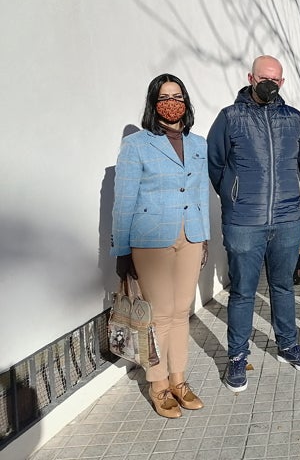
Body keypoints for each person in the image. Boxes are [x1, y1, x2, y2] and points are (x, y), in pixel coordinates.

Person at [208, 55, 300, 393]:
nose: (271, 83)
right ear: (251, 78)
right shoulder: (230, 117)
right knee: (242, 291)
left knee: (284, 287)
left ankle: (287, 345)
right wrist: (234, 197)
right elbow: (215, 164)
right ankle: (238, 356)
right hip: (244, 222)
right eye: (264, 77)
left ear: (282, 83)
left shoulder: (294, 119)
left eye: (276, 78)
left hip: (286, 220)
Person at [111, 74, 210, 418]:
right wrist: (121, 250)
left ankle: (180, 380)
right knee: (160, 316)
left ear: (186, 101)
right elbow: (123, 200)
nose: (172, 102)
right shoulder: (137, 145)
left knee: (182, 312)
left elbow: (199, 193)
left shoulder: (198, 144)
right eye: (165, 96)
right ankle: (159, 385)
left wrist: (205, 235)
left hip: (190, 237)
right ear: (154, 103)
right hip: (151, 239)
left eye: (178, 95)